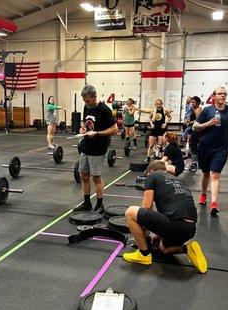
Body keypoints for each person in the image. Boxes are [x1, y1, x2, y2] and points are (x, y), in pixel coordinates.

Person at [122, 160, 207, 273]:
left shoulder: (152, 176)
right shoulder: (178, 180)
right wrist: (158, 234)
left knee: (130, 212)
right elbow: (174, 212)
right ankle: (187, 248)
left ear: (151, 171)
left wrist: (145, 236)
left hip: (175, 225)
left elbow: (146, 207)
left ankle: (143, 255)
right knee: (164, 249)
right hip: (190, 229)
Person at [192, 86, 228, 215]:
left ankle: (213, 203)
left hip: (221, 148)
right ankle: (203, 194)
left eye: (224, 94)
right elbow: (195, 126)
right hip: (205, 147)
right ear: (214, 96)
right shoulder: (207, 110)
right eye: (220, 94)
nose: (222, 96)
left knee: (215, 174)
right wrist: (208, 123)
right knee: (206, 174)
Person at [73, 85, 118, 214]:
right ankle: (87, 203)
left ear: (94, 96)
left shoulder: (104, 109)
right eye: (84, 101)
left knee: (96, 178)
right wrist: (83, 129)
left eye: (87, 100)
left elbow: (114, 129)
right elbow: (84, 122)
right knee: (84, 176)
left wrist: (96, 133)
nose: (86, 103)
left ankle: (99, 204)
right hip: (86, 147)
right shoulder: (86, 106)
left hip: (98, 148)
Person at [183, 96, 202, 171]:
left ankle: (194, 165)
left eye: (193, 102)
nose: (192, 104)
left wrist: (189, 123)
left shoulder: (198, 110)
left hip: (196, 131)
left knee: (194, 147)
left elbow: (198, 120)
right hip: (193, 129)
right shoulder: (194, 110)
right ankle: (194, 163)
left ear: (198, 103)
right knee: (192, 146)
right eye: (191, 102)